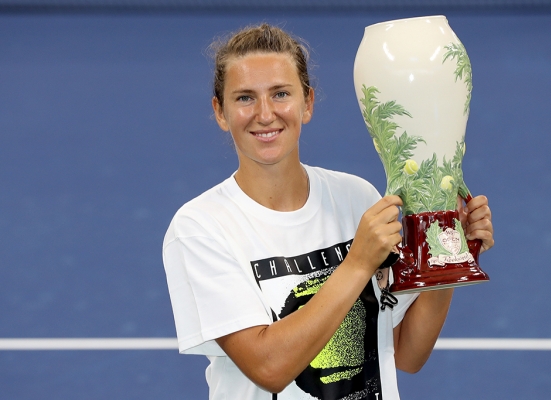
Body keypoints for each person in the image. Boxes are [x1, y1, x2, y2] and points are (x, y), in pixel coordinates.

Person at [162, 23, 494, 400]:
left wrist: (446, 257)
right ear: (220, 112)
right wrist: (357, 263)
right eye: (244, 98)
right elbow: (269, 368)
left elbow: (405, 352)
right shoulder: (200, 227)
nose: (265, 113)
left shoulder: (357, 199)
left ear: (308, 103)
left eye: (281, 93)